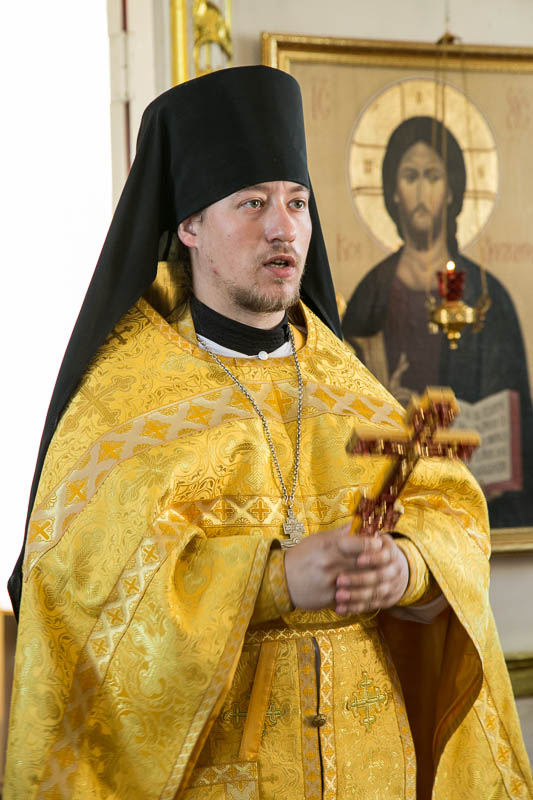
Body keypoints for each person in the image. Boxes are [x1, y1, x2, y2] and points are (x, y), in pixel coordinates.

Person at [4, 68, 532, 800]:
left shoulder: (349, 385)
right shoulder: (119, 406)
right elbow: (77, 599)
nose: (283, 228)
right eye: (252, 203)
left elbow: (453, 515)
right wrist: (274, 582)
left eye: (297, 203)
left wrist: (408, 570)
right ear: (189, 225)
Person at [342, 115, 533, 528]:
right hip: (392, 499)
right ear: (393, 192)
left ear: (450, 191)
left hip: (469, 502)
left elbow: (512, 413)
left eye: (433, 175)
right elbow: (342, 402)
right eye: (410, 176)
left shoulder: (485, 296)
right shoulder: (370, 293)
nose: (421, 191)